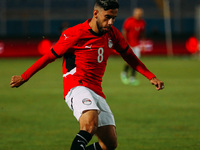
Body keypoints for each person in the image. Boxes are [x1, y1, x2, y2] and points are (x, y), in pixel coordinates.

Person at [10, 0, 164, 150]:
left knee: (109, 144)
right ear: (95, 13)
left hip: (97, 90)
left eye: (114, 18)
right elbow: (49, 56)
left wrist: (151, 76)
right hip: (76, 85)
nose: (111, 22)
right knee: (89, 124)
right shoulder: (75, 34)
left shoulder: (113, 34)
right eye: (107, 17)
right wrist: (24, 76)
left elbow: (129, 56)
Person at [120, 8, 146, 86]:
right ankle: (124, 73)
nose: (139, 15)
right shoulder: (129, 21)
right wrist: (125, 42)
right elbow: (124, 31)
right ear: (134, 14)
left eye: (140, 14)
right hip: (129, 44)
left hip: (137, 44)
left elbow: (142, 33)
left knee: (136, 62)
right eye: (138, 14)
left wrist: (143, 43)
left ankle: (132, 78)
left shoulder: (142, 23)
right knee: (129, 61)